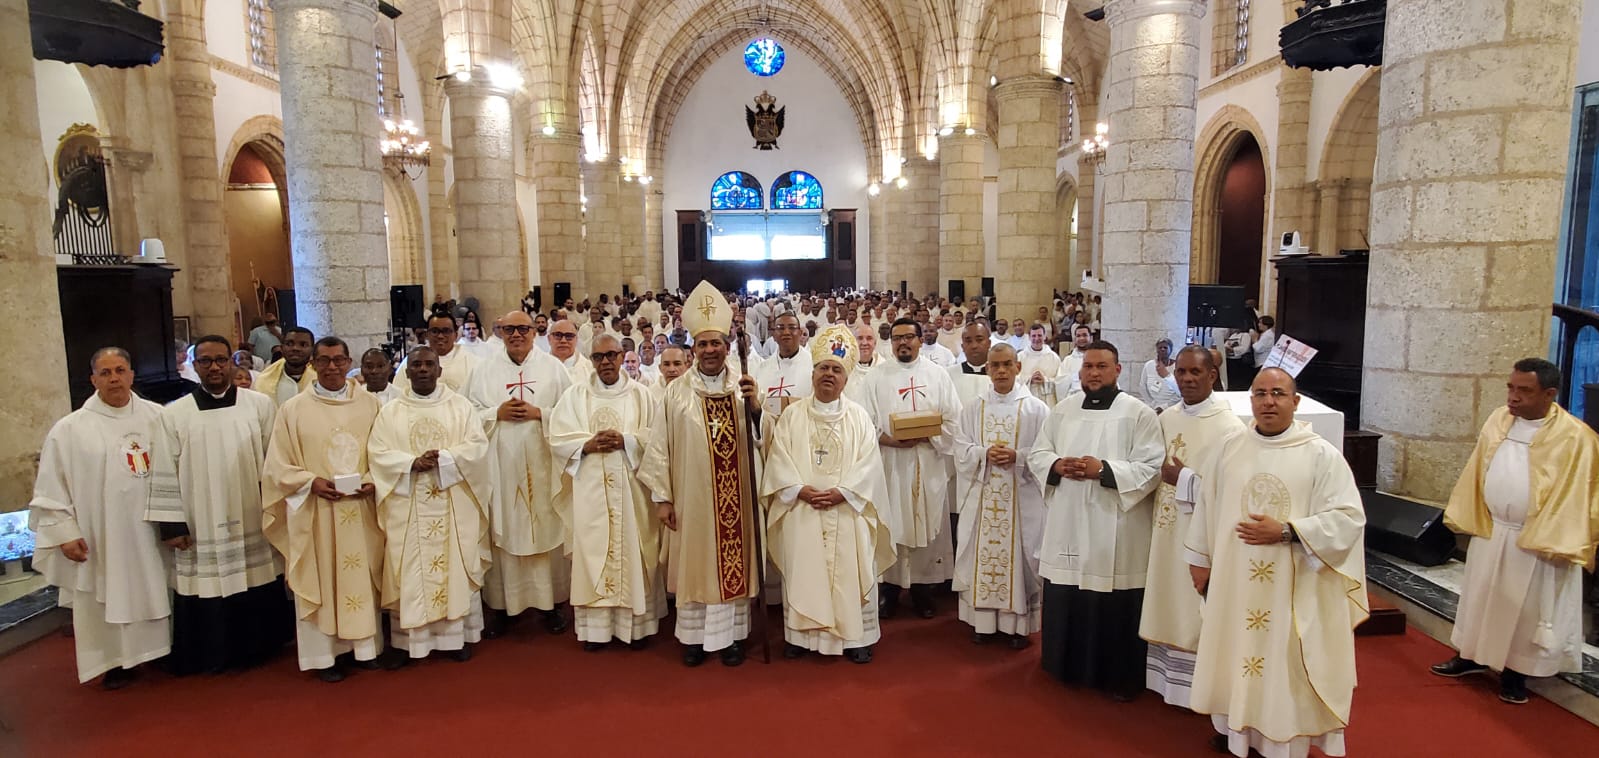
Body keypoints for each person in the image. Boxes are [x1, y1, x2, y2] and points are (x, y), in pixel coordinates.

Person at [1186, 367, 1367, 757]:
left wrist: (1288, 531)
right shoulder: (1230, 448)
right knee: (1233, 649)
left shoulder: (1320, 455)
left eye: (1279, 394)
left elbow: (1349, 518)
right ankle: (1237, 727)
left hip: (1296, 581)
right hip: (1234, 579)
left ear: (1295, 401)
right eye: (1261, 393)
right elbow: (1206, 507)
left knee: (1283, 660)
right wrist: (1199, 559)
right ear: (1251, 400)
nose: (1269, 401)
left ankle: (1283, 738)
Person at [1432, 357, 1599, 704]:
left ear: (1549, 394)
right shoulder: (1498, 419)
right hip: (1493, 529)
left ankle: (1516, 673)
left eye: (1525, 390)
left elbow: (1582, 491)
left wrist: (1551, 532)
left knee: (1527, 610)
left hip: (1537, 538)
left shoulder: (1576, 436)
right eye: (1511, 387)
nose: (1513, 397)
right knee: (1481, 595)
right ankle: (1470, 655)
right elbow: (1479, 468)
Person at [145, 335, 292, 675]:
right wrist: (173, 525)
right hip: (202, 516)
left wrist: (281, 508)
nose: (214, 367)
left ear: (232, 362)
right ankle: (210, 652)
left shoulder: (258, 406)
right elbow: (164, 470)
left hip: (251, 509)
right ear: (194, 366)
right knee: (208, 585)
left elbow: (275, 458)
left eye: (221, 360)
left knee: (256, 577)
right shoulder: (174, 415)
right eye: (206, 361)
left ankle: (260, 647)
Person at [1026, 339, 1164, 700]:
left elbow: (1152, 469)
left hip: (1115, 523)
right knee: (1069, 592)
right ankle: (1064, 665)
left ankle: (1117, 675)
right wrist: (1057, 465)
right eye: (1089, 366)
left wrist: (1103, 470)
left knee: (1114, 599)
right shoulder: (1064, 409)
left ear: (1117, 370)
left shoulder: (1139, 413)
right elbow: (1039, 453)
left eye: (1102, 366)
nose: (1094, 373)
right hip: (1070, 519)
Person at [637, 281, 763, 667]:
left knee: (733, 564)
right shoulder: (676, 394)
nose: (710, 350)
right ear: (693, 349)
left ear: (728, 346)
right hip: (691, 500)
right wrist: (662, 498)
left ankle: (732, 638)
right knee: (694, 565)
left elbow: (765, 437)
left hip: (735, 500)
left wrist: (755, 406)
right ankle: (693, 638)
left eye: (717, 343)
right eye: (703, 344)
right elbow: (659, 447)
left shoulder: (742, 388)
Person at [29, 347, 171, 688]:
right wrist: (64, 532)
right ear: (93, 379)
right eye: (105, 373)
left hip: (151, 529)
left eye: (120, 370)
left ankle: (160, 652)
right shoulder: (69, 430)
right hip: (100, 534)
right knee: (105, 592)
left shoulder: (159, 417)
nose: (114, 379)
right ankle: (115, 662)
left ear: (132, 374)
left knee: (157, 585)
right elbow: (51, 485)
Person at [761, 325, 894, 663]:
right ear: (813, 372)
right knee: (804, 570)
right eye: (823, 368)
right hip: (802, 509)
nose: (829, 375)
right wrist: (799, 490)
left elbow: (869, 465)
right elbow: (779, 459)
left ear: (846, 379)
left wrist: (843, 492)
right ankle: (801, 637)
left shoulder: (859, 418)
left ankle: (855, 638)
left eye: (836, 370)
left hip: (847, 509)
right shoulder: (792, 416)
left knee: (850, 570)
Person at [261, 337, 385, 682]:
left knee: (361, 576)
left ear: (349, 363)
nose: (332, 367)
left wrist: (373, 478)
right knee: (321, 577)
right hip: (316, 510)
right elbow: (277, 465)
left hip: (360, 509)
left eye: (339, 360)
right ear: (313, 364)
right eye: (325, 360)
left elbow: (385, 452)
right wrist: (309, 482)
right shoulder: (293, 410)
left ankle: (364, 650)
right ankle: (324, 656)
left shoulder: (370, 405)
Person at [367, 346, 492, 664]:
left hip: (452, 501)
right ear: (406, 372)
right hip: (408, 505)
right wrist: (411, 464)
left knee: (454, 563)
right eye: (416, 365)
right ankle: (412, 642)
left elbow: (477, 446)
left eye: (429, 365)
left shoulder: (460, 407)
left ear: (440, 370)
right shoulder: (391, 411)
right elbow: (377, 453)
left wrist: (445, 459)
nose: (423, 370)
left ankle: (456, 637)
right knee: (409, 569)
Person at [1139, 346, 1243, 707]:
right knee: (1165, 595)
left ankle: (1198, 690)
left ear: (1212, 375)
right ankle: (1164, 682)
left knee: (1190, 605)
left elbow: (1233, 490)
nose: (1186, 379)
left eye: (1195, 372)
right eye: (1180, 372)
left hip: (1200, 535)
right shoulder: (1166, 418)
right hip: (1164, 530)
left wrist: (1183, 479)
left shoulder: (1229, 428)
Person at [548, 334, 666, 651]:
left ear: (622, 356)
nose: (606, 362)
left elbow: (657, 438)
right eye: (599, 357)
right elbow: (557, 438)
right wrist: (585, 445)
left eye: (611, 355)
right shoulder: (575, 396)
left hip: (632, 490)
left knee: (633, 550)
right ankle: (596, 631)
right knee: (592, 553)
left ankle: (636, 627)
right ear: (592, 360)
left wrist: (626, 441)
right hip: (590, 491)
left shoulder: (642, 396)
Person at [463, 310, 573, 637]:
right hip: (501, 467)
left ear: (534, 331)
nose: (516, 334)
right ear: (499, 332)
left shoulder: (552, 368)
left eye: (523, 328)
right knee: (506, 530)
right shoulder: (483, 371)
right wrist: (494, 414)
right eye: (509, 329)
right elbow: (465, 415)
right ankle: (503, 607)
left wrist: (541, 413)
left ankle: (551, 604)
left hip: (544, 464)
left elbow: (571, 413)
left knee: (547, 527)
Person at [951, 344, 1049, 649]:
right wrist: (983, 454)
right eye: (995, 365)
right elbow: (960, 448)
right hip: (983, 495)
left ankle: (1017, 627)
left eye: (1008, 364)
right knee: (981, 555)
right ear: (988, 370)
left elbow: (1047, 454)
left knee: (1021, 555)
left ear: (1018, 367)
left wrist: (1018, 456)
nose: (1002, 371)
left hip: (1021, 497)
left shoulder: (1037, 409)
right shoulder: (972, 407)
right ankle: (983, 623)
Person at [863, 317, 962, 619]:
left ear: (920, 340)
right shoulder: (875, 377)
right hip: (890, 464)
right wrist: (888, 440)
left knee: (927, 523)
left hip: (927, 460)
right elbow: (864, 421)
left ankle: (922, 589)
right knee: (892, 522)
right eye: (897, 338)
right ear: (890, 342)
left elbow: (954, 420)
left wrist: (926, 435)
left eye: (909, 337)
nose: (903, 343)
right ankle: (889, 590)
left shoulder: (938, 375)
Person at [395, 313, 478, 394]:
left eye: (446, 331)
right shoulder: (412, 360)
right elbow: (398, 392)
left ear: (455, 335)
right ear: (427, 334)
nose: (440, 336)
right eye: (435, 331)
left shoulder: (472, 362)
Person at [753, 312, 813, 422]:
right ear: (774, 336)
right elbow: (759, 405)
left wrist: (777, 404)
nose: (786, 332)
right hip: (770, 431)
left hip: (802, 429)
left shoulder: (813, 366)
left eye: (792, 328)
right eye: (780, 328)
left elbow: (815, 404)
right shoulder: (763, 368)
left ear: (800, 333)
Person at [256, 326, 318, 406]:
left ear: (312, 350)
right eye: (289, 344)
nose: (295, 348)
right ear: (281, 348)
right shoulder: (264, 380)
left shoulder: (318, 380)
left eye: (303, 345)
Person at [948, 320, 991, 409]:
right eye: (968, 341)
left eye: (979, 340)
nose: (974, 345)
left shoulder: (1000, 375)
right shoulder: (949, 374)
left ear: (989, 343)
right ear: (962, 347)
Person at [1019, 323, 1062, 406]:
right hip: (1027, 400)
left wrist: (1045, 380)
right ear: (1029, 337)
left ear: (1045, 336)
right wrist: (1030, 379)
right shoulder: (1020, 357)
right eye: (1034, 336)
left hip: (1048, 400)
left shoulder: (1053, 357)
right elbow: (1015, 380)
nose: (1037, 338)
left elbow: (1060, 381)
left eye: (1039, 335)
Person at [1053, 323, 1093, 400]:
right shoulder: (1068, 360)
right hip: (1074, 399)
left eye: (1084, 335)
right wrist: (1076, 376)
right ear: (1074, 339)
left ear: (1091, 338)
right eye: (1078, 336)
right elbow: (1059, 382)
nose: (1081, 338)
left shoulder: (1098, 358)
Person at [1141, 338, 1182, 412]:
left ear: (1171, 349)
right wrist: (1152, 404)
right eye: (1160, 347)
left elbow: (1179, 393)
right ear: (1157, 350)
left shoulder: (1177, 366)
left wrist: (1164, 407)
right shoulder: (1149, 365)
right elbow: (1142, 387)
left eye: (1165, 347)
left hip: (1171, 408)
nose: (1162, 349)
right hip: (1152, 407)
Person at [547, 319, 592, 384]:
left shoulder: (590, 369)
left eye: (569, 336)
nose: (563, 341)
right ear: (549, 339)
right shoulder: (537, 366)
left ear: (576, 340)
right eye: (558, 335)